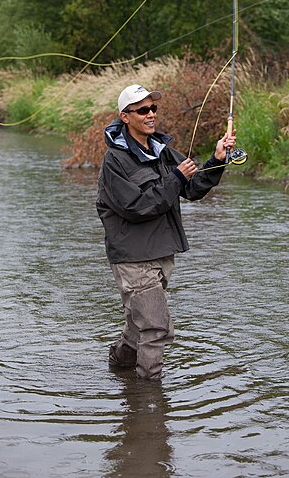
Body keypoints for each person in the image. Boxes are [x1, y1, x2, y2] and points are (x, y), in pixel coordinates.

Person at [96, 84, 236, 380]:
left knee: (139, 328)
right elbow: (136, 206)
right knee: (156, 327)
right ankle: (148, 407)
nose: (151, 115)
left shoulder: (162, 151)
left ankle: (119, 371)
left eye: (153, 109)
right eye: (143, 110)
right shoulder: (114, 162)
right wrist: (174, 178)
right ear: (125, 116)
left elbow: (193, 188)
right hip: (133, 257)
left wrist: (217, 159)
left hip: (162, 253)